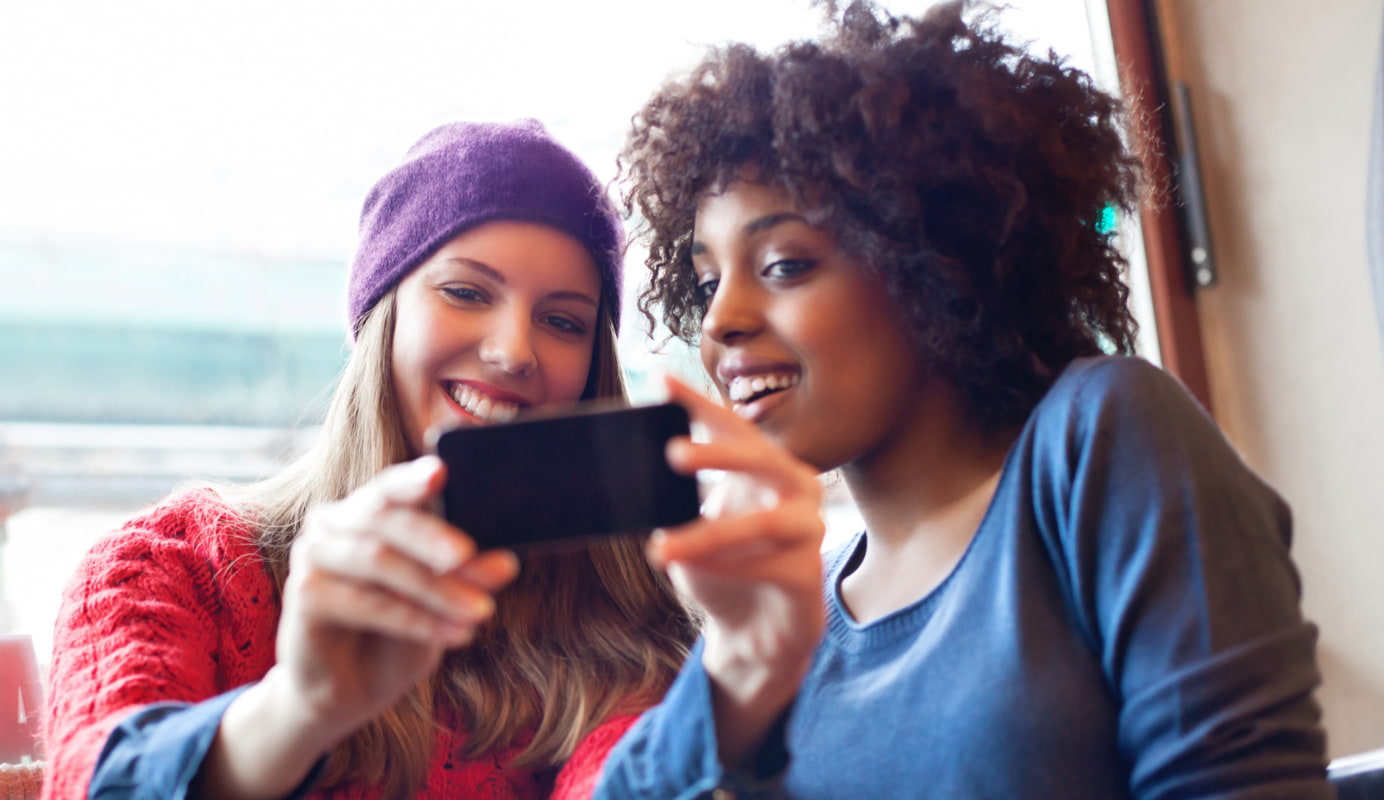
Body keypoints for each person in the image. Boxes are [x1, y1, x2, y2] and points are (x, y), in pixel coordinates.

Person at [595, 2, 1333, 797]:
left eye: (783, 264)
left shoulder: (1097, 442)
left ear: (933, 264)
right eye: (707, 282)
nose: (721, 321)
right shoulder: (780, 616)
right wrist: (736, 671)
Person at [41, 119, 697, 800]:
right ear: (384, 314)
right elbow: (101, 782)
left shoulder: (630, 626)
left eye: (563, 321)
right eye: (466, 292)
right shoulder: (170, 564)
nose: (513, 351)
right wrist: (299, 708)